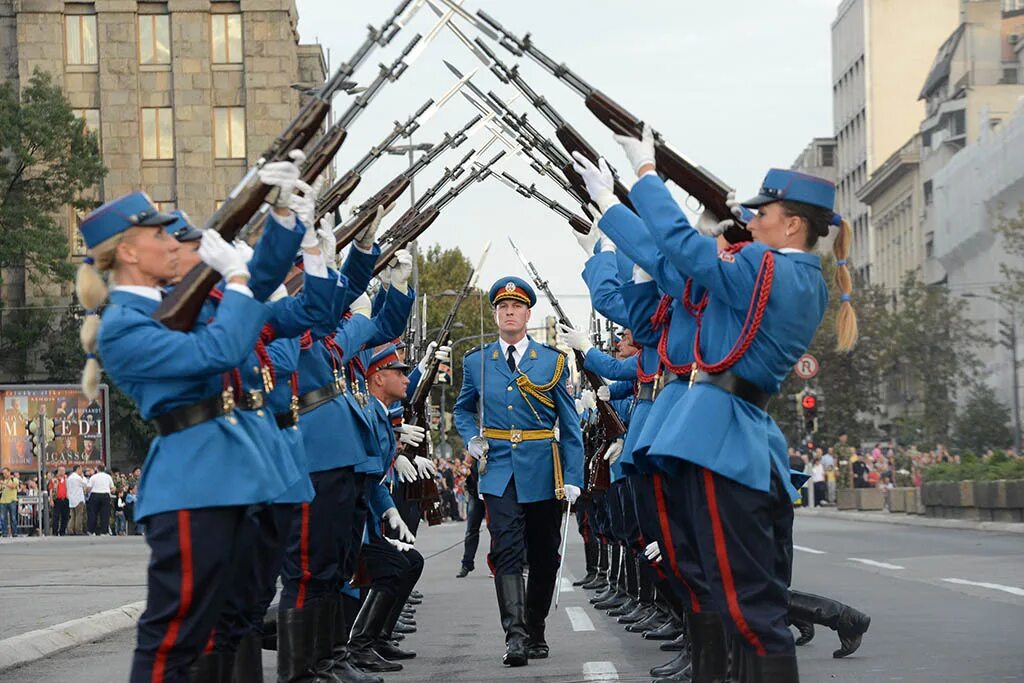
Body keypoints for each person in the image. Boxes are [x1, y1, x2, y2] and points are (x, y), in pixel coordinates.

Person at [575, 128, 859, 681]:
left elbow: (684, 252)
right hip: (726, 432)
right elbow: (675, 268)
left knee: (745, 608)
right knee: (729, 598)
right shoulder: (784, 274)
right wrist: (611, 208)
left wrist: (647, 176)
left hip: (720, 435)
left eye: (762, 212)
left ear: (793, 223)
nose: (751, 220)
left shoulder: (770, 271)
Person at [74, 159, 308, 682]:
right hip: (190, 484)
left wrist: (283, 213)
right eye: (157, 234)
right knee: (174, 636)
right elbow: (222, 347)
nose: (170, 241)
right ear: (130, 252)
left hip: (226, 477)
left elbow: (261, 294)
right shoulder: (123, 327)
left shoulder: (177, 303)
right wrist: (239, 275)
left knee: (223, 623)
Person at [453, 276, 584, 667]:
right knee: (505, 549)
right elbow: (462, 408)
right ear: (495, 315)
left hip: (545, 468)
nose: (509, 313)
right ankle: (515, 636)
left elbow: (570, 423)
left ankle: (536, 628)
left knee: (544, 555)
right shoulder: (476, 361)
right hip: (499, 470)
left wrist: (574, 476)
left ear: (528, 314)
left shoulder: (552, 360)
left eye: (516, 307)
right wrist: (469, 438)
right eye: (502, 308)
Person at [456, 456, 485, 578]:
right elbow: (466, 470)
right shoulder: (473, 452)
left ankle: (498, 563)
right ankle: (467, 563)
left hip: (492, 492)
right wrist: (466, 472)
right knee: (471, 530)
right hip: (475, 493)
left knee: (497, 529)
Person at [86, 463, 114, 535]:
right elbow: (112, 488)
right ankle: (104, 531)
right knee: (105, 514)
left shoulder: (93, 477)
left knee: (93, 513)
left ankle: (91, 531)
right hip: (105, 495)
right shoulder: (108, 477)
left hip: (95, 495)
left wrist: (87, 493)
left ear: (97, 469)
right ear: (104, 469)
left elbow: (88, 488)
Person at [49, 466, 70, 535]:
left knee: (65, 516)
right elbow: (51, 490)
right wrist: (51, 500)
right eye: (61, 470)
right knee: (56, 516)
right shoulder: (54, 480)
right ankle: (55, 531)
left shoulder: (66, 479)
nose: (62, 472)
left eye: (63, 470)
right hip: (57, 499)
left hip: (65, 499)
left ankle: (62, 531)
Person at [67, 464, 87, 535]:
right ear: (78, 469)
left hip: (72, 498)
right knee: (79, 515)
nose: (81, 471)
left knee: (72, 515)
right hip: (78, 498)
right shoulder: (78, 478)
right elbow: (85, 484)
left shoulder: (69, 478)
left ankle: (70, 529)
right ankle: (78, 530)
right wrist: (83, 477)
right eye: (81, 469)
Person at [0, 469, 18, 537]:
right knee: (3, 518)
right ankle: (4, 533)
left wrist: (4, 483)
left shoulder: (14, 479)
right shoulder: (3, 481)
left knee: (13, 518)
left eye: (5, 473)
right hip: (3, 501)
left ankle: (14, 533)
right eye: (3, 473)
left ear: (9, 472)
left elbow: (13, 487)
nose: (4, 474)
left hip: (12, 501)